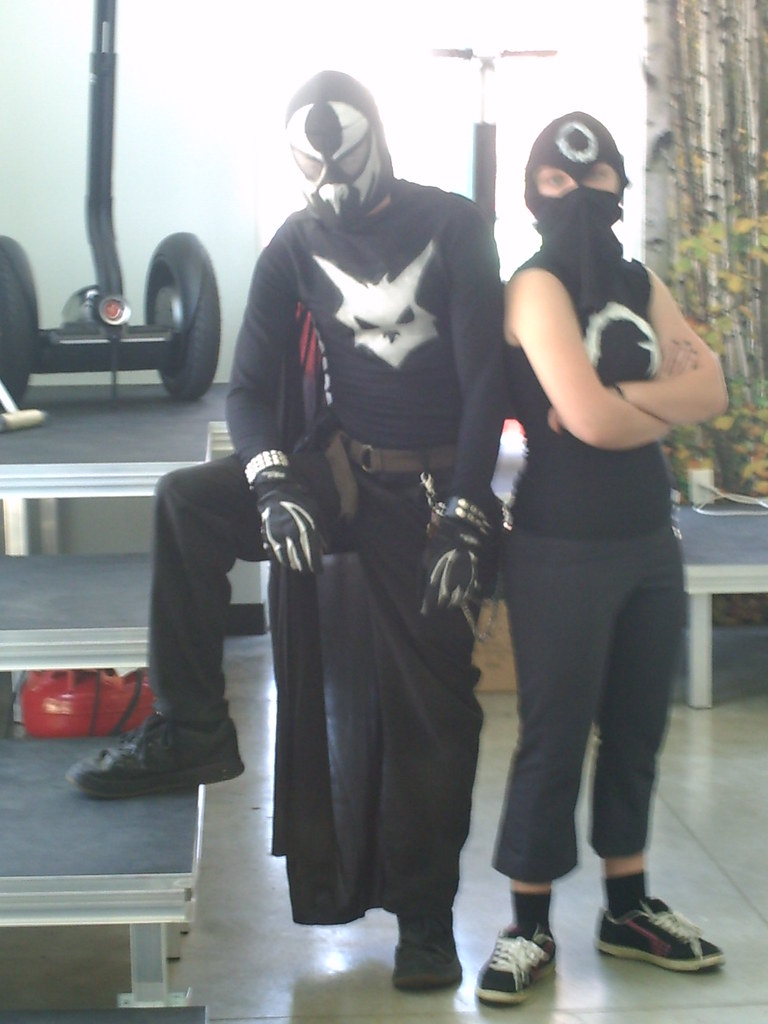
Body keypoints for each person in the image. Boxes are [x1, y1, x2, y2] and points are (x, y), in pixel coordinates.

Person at [66, 70, 508, 992]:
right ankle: (191, 725)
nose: (332, 176)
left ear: (374, 137)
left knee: (434, 713)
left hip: (429, 491)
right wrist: (270, 482)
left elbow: (484, 387)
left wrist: (468, 511)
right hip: (339, 471)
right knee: (189, 503)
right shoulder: (295, 243)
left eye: (341, 151)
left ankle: (425, 920)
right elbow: (246, 383)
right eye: (314, 158)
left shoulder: (455, 224)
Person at [474, 112, 729, 1006]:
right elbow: (586, 423)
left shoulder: (637, 277)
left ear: (620, 184)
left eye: (597, 179)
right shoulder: (533, 287)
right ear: (533, 189)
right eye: (557, 179)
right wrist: (655, 405)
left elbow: (716, 385)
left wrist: (622, 398)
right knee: (552, 738)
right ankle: (528, 925)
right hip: (560, 546)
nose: (580, 195)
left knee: (635, 733)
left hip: (647, 541)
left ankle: (627, 910)